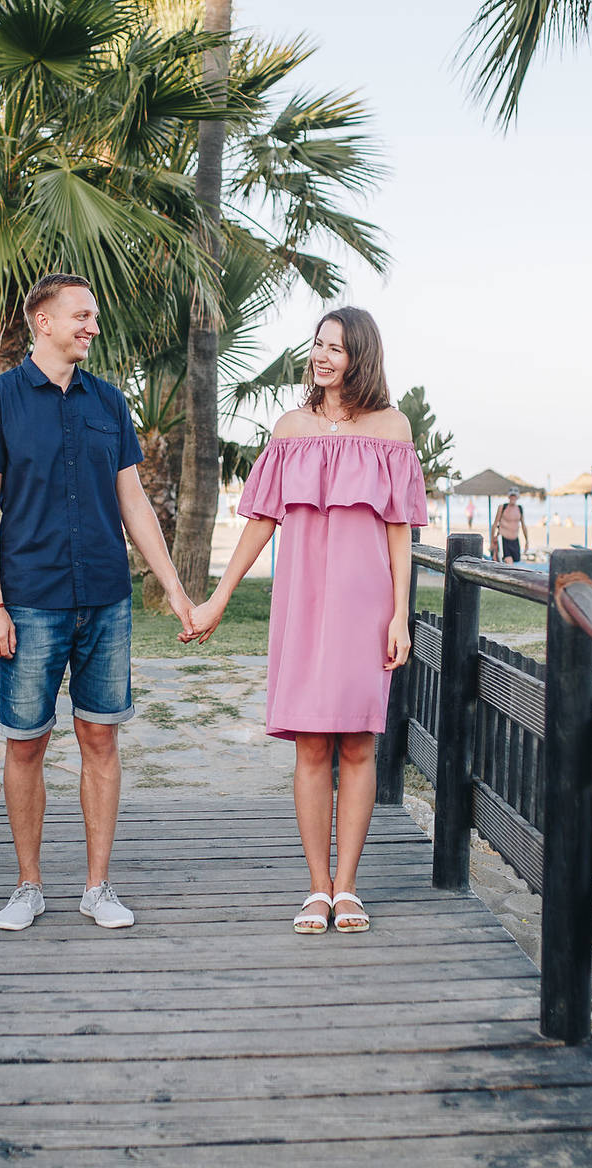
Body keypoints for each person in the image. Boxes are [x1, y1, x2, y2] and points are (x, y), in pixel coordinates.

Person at [185, 306, 426, 934]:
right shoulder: (290, 427)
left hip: (367, 604)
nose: (321, 357)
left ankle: (349, 887)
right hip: (303, 600)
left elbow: (400, 531)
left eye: (336, 348)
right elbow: (261, 521)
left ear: (361, 357)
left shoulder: (392, 428)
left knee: (358, 741)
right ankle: (317, 887)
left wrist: (401, 614)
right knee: (313, 741)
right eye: (317, 345)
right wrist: (218, 598)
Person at [0, 273, 195, 932]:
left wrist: (175, 591)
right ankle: (28, 885)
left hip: (103, 598)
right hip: (28, 598)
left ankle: (97, 887)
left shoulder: (109, 403)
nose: (92, 326)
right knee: (26, 745)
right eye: (81, 315)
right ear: (43, 320)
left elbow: (133, 502)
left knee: (100, 739)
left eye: (93, 316)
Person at [491, 488, 530, 562]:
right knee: (509, 561)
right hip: (503, 540)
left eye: (514, 496)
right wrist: (492, 541)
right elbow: (495, 524)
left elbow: (523, 526)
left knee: (516, 561)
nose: (513, 498)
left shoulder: (519, 508)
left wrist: (527, 541)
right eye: (511, 496)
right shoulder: (502, 507)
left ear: (517, 497)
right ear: (508, 496)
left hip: (515, 541)